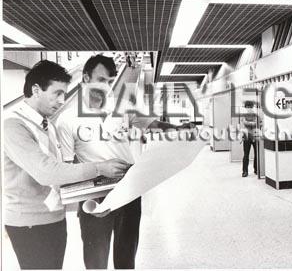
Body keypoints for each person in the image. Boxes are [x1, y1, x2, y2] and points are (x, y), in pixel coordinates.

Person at [57, 55, 187, 269]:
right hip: (94, 196)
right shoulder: (68, 119)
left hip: (128, 190)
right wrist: (91, 201)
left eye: (109, 82)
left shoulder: (123, 107)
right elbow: (69, 168)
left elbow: (151, 124)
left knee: (126, 258)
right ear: (86, 78)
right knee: (95, 261)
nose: (106, 87)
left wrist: (176, 129)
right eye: (101, 80)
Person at [3, 60, 131, 270]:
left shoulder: (48, 126)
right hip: (28, 223)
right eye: (57, 93)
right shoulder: (13, 126)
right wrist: (100, 167)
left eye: (65, 94)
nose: (62, 100)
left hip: (53, 217)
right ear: (36, 90)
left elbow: (62, 176)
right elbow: (47, 173)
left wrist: (94, 202)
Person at [241, 101, 258, 177]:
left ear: (252, 107)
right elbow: (245, 123)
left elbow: (256, 123)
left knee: (256, 154)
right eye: (247, 107)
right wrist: (252, 123)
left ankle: (256, 169)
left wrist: (249, 123)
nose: (248, 109)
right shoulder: (243, 115)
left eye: (250, 107)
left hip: (255, 136)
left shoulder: (256, 114)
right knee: (246, 154)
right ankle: (245, 171)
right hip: (246, 136)